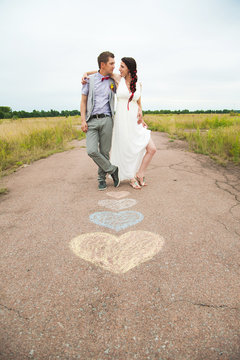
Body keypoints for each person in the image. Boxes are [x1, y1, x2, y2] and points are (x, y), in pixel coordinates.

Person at [82, 57, 156, 189]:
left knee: (151, 148)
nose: (118, 69)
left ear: (129, 69)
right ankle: (131, 176)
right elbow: (101, 71)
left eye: (122, 66)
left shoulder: (138, 83)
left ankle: (140, 173)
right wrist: (85, 74)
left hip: (135, 119)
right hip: (122, 119)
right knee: (126, 148)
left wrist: (141, 114)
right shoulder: (117, 79)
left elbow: (139, 102)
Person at [80, 51, 120, 191]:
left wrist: (86, 71)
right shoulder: (89, 80)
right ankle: (112, 169)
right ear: (103, 64)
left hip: (107, 119)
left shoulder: (112, 80)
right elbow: (83, 101)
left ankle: (101, 180)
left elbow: (122, 80)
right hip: (91, 120)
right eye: (111, 63)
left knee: (104, 151)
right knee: (91, 150)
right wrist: (83, 120)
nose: (114, 66)